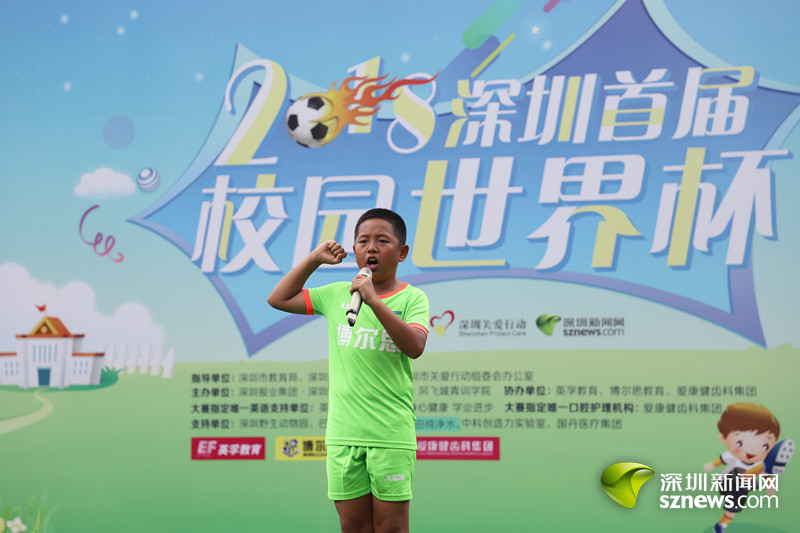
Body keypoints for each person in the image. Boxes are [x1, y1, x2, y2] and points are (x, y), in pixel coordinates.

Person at [268, 208, 429, 533]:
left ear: (401, 252)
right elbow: (279, 299)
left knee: (391, 527)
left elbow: (414, 346)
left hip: (390, 435)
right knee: (353, 527)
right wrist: (314, 259)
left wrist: (374, 301)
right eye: (363, 241)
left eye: (382, 241)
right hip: (343, 435)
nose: (371, 248)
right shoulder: (337, 294)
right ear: (354, 250)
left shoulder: (413, 298)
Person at [703, 403, 780, 533]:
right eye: (740, 443)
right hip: (726, 482)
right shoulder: (733, 456)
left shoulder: (761, 464)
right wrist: (712, 465)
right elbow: (722, 460)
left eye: (765, 446)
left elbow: (766, 475)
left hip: (742, 489)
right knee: (737, 484)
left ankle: (721, 524)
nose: (752, 450)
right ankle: (723, 521)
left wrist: (770, 486)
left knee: (732, 509)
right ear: (723, 437)